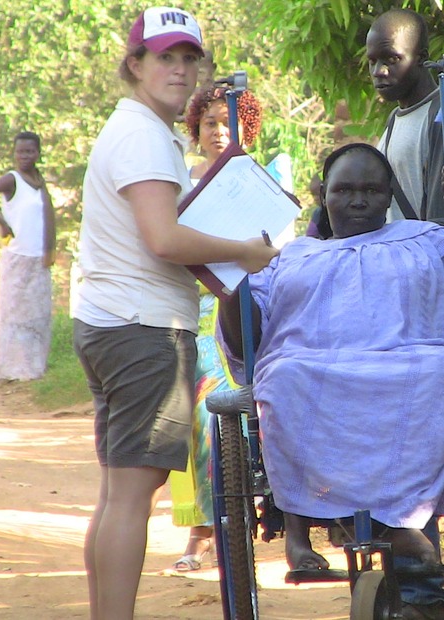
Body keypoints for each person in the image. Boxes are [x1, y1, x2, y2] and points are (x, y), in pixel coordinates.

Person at [219, 143, 444, 620]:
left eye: (371, 189)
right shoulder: (288, 257)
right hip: (308, 368)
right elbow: (248, 343)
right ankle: (321, 530)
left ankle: (406, 538)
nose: (358, 200)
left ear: (388, 196)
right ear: (323, 193)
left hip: (411, 364)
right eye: (345, 190)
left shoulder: (426, 240)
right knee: (283, 376)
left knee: (439, 374)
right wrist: (230, 271)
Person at [72, 8, 276, 620]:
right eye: (165, 57)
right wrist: (244, 251)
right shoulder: (142, 135)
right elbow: (164, 239)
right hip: (141, 330)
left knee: (118, 493)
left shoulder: (140, 129)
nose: (180, 69)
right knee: (132, 497)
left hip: (113, 321)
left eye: (189, 58)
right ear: (135, 65)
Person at [167, 84, 264, 572]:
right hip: (199, 317)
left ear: (247, 127)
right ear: (196, 130)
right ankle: (207, 529)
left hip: (255, 313)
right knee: (207, 419)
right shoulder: (180, 184)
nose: (219, 131)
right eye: (209, 123)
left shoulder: (261, 179)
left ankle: (267, 520)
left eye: (229, 122)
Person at [0, 131, 56, 384]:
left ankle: (33, 369)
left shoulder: (40, 183)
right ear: (14, 154)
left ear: (38, 153)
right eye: (19, 151)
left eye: (29, 151)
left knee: (36, 315)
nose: (24, 156)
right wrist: (2, 223)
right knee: (12, 315)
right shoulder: (11, 180)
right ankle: (9, 372)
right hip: (17, 257)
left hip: (38, 259)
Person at [366, 8, 444, 224]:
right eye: (372, 61)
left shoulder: (442, 114)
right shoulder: (395, 118)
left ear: (421, 58)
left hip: (426, 253)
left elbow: (442, 219)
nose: (378, 71)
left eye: (392, 59)